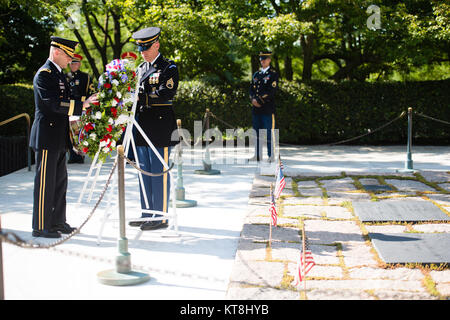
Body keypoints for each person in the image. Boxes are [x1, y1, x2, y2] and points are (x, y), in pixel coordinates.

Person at [30, 36, 98, 238]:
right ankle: (41, 225)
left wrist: (89, 101)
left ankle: (58, 221)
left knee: (60, 182)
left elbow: (70, 99)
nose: (71, 60)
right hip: (46, 135)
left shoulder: (59, 75)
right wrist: (81, 105)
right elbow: (53, 104)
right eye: (68, 56)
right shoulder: (44, 74)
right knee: (45, 183)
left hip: (58, 135)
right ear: (56, 52)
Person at [129, 27, 179, 231]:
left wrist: (141, 97)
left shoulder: (168, 67)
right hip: (141, 126)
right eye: (140, 48)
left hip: (159, 127)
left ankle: (161, 216)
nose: (143, 51)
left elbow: (166, 93)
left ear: (156, 45)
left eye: (146, 47)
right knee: (144, 171)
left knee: (158, 172)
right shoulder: (140, 68)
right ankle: (147, 213)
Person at [248, 50, 279, 162]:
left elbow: (271, 91)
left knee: (269, 133)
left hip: (267, 108)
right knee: (256, 133)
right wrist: (252, 99)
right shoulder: (257, 75)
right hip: (256, 110)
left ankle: (271, 155)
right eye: (261, 59)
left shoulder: (273, 74)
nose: (262, 61)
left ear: (269, 60)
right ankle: (257, 155)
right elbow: (251, 89)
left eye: (264, 59)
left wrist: (259, 101)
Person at [66, 53, 94, 164]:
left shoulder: (85, 77)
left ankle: (80, 153)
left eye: (75, 63)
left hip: (81, 107)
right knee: (69, 132)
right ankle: (72, 154)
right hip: (69, 108)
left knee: (79, 132)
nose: (73, 65)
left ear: (79, 64)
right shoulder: (65, 76)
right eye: (72, 63)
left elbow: (91, 93)